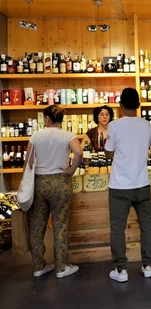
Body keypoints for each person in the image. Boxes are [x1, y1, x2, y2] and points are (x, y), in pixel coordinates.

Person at [25, 105, 83, 279]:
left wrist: (25, 182)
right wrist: (71, 170)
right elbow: (78, 152)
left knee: (37, 226)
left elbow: (28, 161)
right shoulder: (67, 135)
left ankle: (38, 266)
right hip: (60, 182)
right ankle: (61, 267)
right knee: (60, 225)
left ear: (47, 119)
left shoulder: (36, 135)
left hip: (39, 182)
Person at [104, 88, 151, 283]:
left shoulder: (114, 126)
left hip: (119, 186)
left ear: (120, 106)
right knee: (147, 225)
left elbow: (108, 153)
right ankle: (148, 265)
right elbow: (147, 147)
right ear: (139, 105)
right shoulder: (146, 125)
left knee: (117, 228)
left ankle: (121, 270)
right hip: (142, 183)